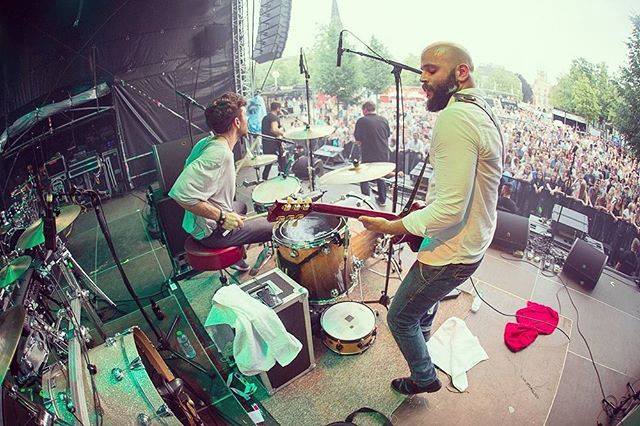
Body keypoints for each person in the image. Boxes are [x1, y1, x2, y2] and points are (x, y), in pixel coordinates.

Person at [358, 42, 502, 395]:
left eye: (431, 70)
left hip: (453, 251)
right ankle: (423, 334)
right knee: (425, 300)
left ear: (461, 72)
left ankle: (424, 377)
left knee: (399, 317)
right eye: (421, 69)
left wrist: (392, 226)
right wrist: (424, 210)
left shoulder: (456, 118)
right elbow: (461, 190)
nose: (422, 78)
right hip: (472, 241)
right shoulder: (481, 109)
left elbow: (451, 210)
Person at [169, 92, 272, 271]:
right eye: (245, 115)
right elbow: (180, 193)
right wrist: (222, 217)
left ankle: (237, 257)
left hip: (200, 223)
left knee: (240, 206)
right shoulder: (219, 153)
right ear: (237, 122)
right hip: (212, 233)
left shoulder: (207, 142)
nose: (248, 119)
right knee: (274, 226)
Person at [354, 101, 391, 207]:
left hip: (369, 153)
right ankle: (382, 200)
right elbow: (387, 135)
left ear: (365, 110)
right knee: (381, 176)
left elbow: (358, 140)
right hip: (383, 153)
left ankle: (366, 199)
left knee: (364, 176)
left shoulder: (362, 120)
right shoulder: (384, 119)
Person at [261, 101, 286, 180]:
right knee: (282, 161)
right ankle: (283, 178)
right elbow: (274, 129)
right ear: (278, 108)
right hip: (274, 145)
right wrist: (284, 134)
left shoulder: (265, 118)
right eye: (280, 108)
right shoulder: (274, 117)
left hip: (266, 144)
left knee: (268, 164)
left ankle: (264, 179)